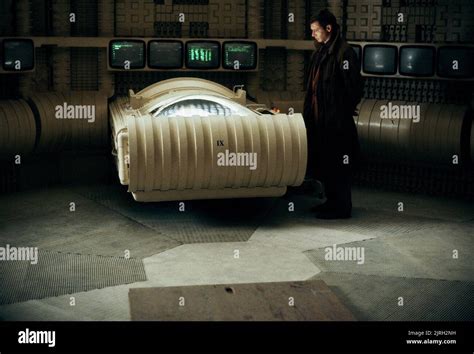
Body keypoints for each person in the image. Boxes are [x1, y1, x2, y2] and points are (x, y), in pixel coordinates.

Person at [303, 9, 363, 219]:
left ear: (328, 28)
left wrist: (339, 113)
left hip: (336, 124)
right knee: (327, 164)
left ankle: (341, 207)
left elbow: (354, 88)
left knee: (340, 165)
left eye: (315, 30)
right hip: (321, 122)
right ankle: (331, 202)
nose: (312, 35)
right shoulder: (320, 52)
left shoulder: (344, 53)